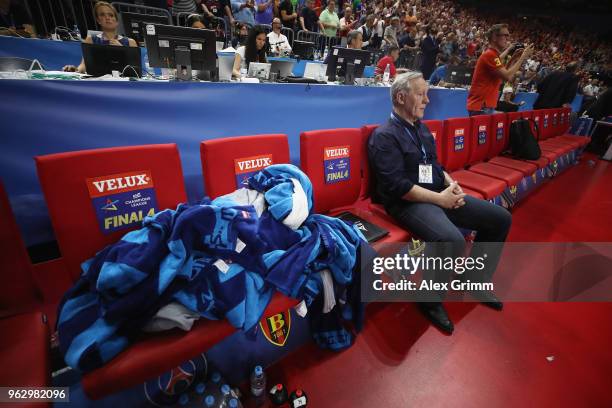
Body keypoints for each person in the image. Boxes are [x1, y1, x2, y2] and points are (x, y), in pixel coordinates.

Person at [368, 71, 511, 334]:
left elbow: (435, 166)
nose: (427, 101)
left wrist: (450, 184)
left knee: (500, 219)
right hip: (406, 203)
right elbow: (398, 187)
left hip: (437, 195)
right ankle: (430, 300)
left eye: (427, 94)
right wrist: (441, 200)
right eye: (421, 94)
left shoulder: (421, 129)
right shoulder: (384, 136)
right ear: (401, 97)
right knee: (451, 239)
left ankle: (476, 279)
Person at [466, 23, 533, 116]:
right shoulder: (490, 55)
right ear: (494, 37)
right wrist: (523, 57)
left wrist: (513, 58)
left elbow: (503, 75)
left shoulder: (493, 55)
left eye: (508, 36)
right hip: (482, 106)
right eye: (505, 35)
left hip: (484, 105)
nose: (507, 38)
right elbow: (508, 76)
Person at [62, 1, 137, 74]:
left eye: (111, 15)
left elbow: (136, 70)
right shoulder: (90, 40)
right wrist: (74, 69)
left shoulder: (131, 42)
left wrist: (121, 50)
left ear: (117, 21)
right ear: (98, 20)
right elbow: (83, 66)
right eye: (102, 15)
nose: (107, 17)